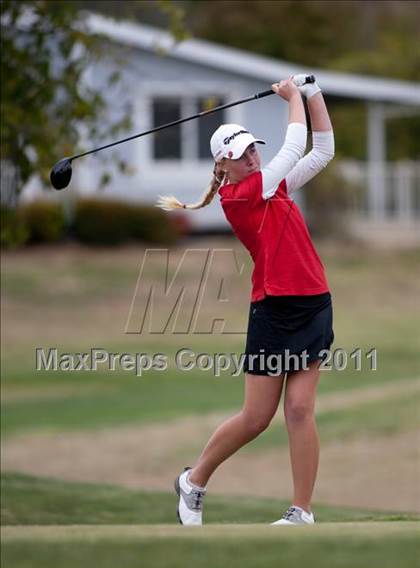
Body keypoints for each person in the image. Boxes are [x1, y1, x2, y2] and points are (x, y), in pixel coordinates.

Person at [157, 75, 335, 526]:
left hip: (313, 303)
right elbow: (294, 147)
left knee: (299, 410)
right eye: (242, 156)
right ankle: (193, 481)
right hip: (273, 312)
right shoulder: (240, 196)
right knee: (257, 418)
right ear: (223, 167)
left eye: (254, 149)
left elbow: (322, 151)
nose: (254, 158)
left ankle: (302, 512)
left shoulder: (270, 184)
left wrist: (313, 95)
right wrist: (292, 96)